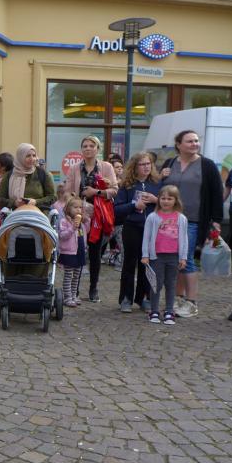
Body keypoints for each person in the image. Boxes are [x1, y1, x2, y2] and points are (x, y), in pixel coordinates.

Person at [160, 130, 223, 318]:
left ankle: (192, 302)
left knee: (185, 259)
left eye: (196, 141)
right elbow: (161, 189)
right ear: (178, 144)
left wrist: (216, 220)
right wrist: (161, 176)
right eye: (190, 141)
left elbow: (216, 193)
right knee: (174, 261)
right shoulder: (170, 163)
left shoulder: (207, 165)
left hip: (193, 221)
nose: (195, 144)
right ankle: (177, 299)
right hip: (169, 220)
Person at [62, 136, 117, 303]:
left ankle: (93, 288)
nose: (88, 148)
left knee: (95, 253)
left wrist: (96, 192)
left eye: (91, 146)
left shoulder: (106, 167)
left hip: (98, 216)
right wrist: (75, 203)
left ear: (97, 149)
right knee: (78, 251)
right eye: (85, 146)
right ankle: (74, 290)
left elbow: (114, 190)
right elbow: (67, 191)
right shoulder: (75, 168)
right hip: (80, 215)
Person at [115, 152, 161, 312]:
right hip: (132, 227)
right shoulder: (127, 185)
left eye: (148, 164)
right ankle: (126, 298)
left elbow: (169, 204)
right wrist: (134, 205)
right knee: (129, 263)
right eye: (142, 164)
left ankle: (144, 298)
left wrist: (156, 200)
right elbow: (117, 209)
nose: (146, 167)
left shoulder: (157, 184)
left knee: (147, 263)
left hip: (152, 229)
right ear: (135, 167)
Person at [142, 185, 188, 325]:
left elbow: (184, 239)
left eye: (169, 199)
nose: (166, 201)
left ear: (175, 200)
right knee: (156, 284)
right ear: (158, 199)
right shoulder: (152, 217)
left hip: (174, 257)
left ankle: (169, 311)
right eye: (163, 198)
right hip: (157, 257)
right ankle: (154, 311)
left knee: (171, 284)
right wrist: (145, 255)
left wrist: (183, 257)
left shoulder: (181, 218)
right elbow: (146, 237)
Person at [0, 143, 56, 211]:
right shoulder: (9, 175)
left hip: (38, 215)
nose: (32, 159)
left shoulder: (43, 174)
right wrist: (14, 203)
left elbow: (53, 197)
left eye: (34, 155)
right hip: (15, 215)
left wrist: (36, 202)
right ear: (20, 157)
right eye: (28, 156)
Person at [58, 197, 88, 307]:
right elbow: (62, 236)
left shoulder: (82, 223)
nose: (78, 209)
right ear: (68, 209)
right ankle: (67, 297)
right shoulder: (64, 221)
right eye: (75, 207)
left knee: (76, 276)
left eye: (80, 207)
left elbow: (86, 233)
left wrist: (86, 220)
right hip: (69, 253)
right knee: (68, 275)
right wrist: (72, 228)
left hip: (79, 252)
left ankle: (74, 295)